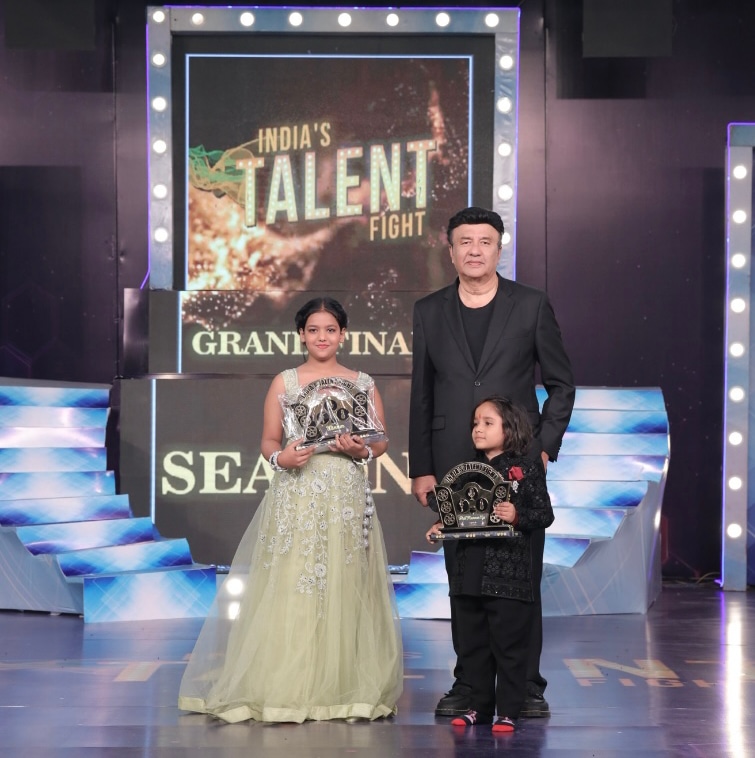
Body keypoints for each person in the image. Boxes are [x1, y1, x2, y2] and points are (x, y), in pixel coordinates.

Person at [178, 296, 403, 723]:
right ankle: (287, 685)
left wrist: (362, 450)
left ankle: (341, 687)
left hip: (346, 493)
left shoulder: (361, 382)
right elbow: (268, 440)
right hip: (297, 490)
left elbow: (380, 440)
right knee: (295, 581)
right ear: (301, 334)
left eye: (330, 329)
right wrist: (281, 457)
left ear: (343, 334)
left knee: (345, 581)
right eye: (313, 330)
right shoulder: (286, 382)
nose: (322, 337)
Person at [409, 206, 574, 718]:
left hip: (516, 462)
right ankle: (470, 685)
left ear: (500, 248)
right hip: (452, 460)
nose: (475, 250)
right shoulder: (429, 310)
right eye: (465, 241)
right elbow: (422, 394)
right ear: (451, 250)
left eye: (485, 241)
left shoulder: (531, 304)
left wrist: (541, 446)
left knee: (520, 578)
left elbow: (562, 384)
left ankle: (526, 686)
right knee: (464, 579)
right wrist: (422, 466)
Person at [426, 396, 555, 732]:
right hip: (468, 571)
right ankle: (479, 708)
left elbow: (544, 514)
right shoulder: (465, 470)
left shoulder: (526, 468)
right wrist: (441, 526)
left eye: (487, 423)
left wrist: (518, 515)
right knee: (474, 645)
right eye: (475, 423)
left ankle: (509, 710)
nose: (478, 429)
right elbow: (456, 513)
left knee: (508, 646)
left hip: (507, 574)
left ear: (509, 428)